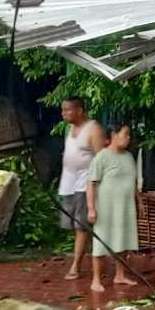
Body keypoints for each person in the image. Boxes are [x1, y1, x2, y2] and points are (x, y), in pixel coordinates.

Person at [86, 124, 139, 292]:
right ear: (114, 135)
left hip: (125, 207)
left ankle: (120, 275)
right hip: (106, 208)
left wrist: (140, 202)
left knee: (123, 240)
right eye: (126, 134)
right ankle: (96, 280)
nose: (128, 137)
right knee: (101, 242)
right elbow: (91, 184)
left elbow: (134, 182)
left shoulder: (129, 157)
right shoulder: (102, 157)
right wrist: (91, 208)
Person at [58, 97, 105, 280]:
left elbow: (102, 159)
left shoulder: (93, 129)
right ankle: (92, 255)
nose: (64, 114)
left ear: (80, 110)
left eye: (68, 110)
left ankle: (75, 266)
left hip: (85, 183)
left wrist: (99, 184)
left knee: (81, 226)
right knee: (72, 224)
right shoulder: (70, 129)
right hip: (68, 182)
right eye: (63, 110)